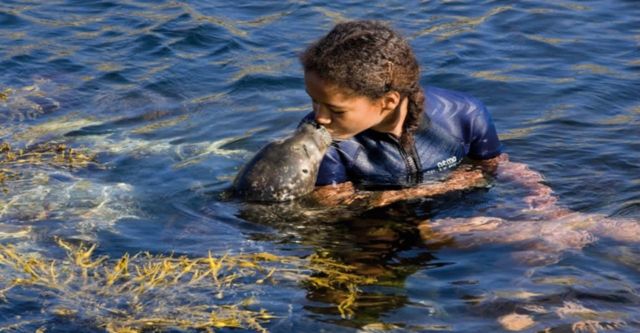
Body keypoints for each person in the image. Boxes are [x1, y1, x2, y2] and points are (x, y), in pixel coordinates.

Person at [298, 20, 503, 205]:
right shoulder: (318, 140)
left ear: (388, 102)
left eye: (336, 110)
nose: (320, 118)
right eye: (314, 100)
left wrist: (534, 191)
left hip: (458, 210)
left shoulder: (465, 114)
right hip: (375, 228)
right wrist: (442, 186)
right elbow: (332, 205)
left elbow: (493, 166)